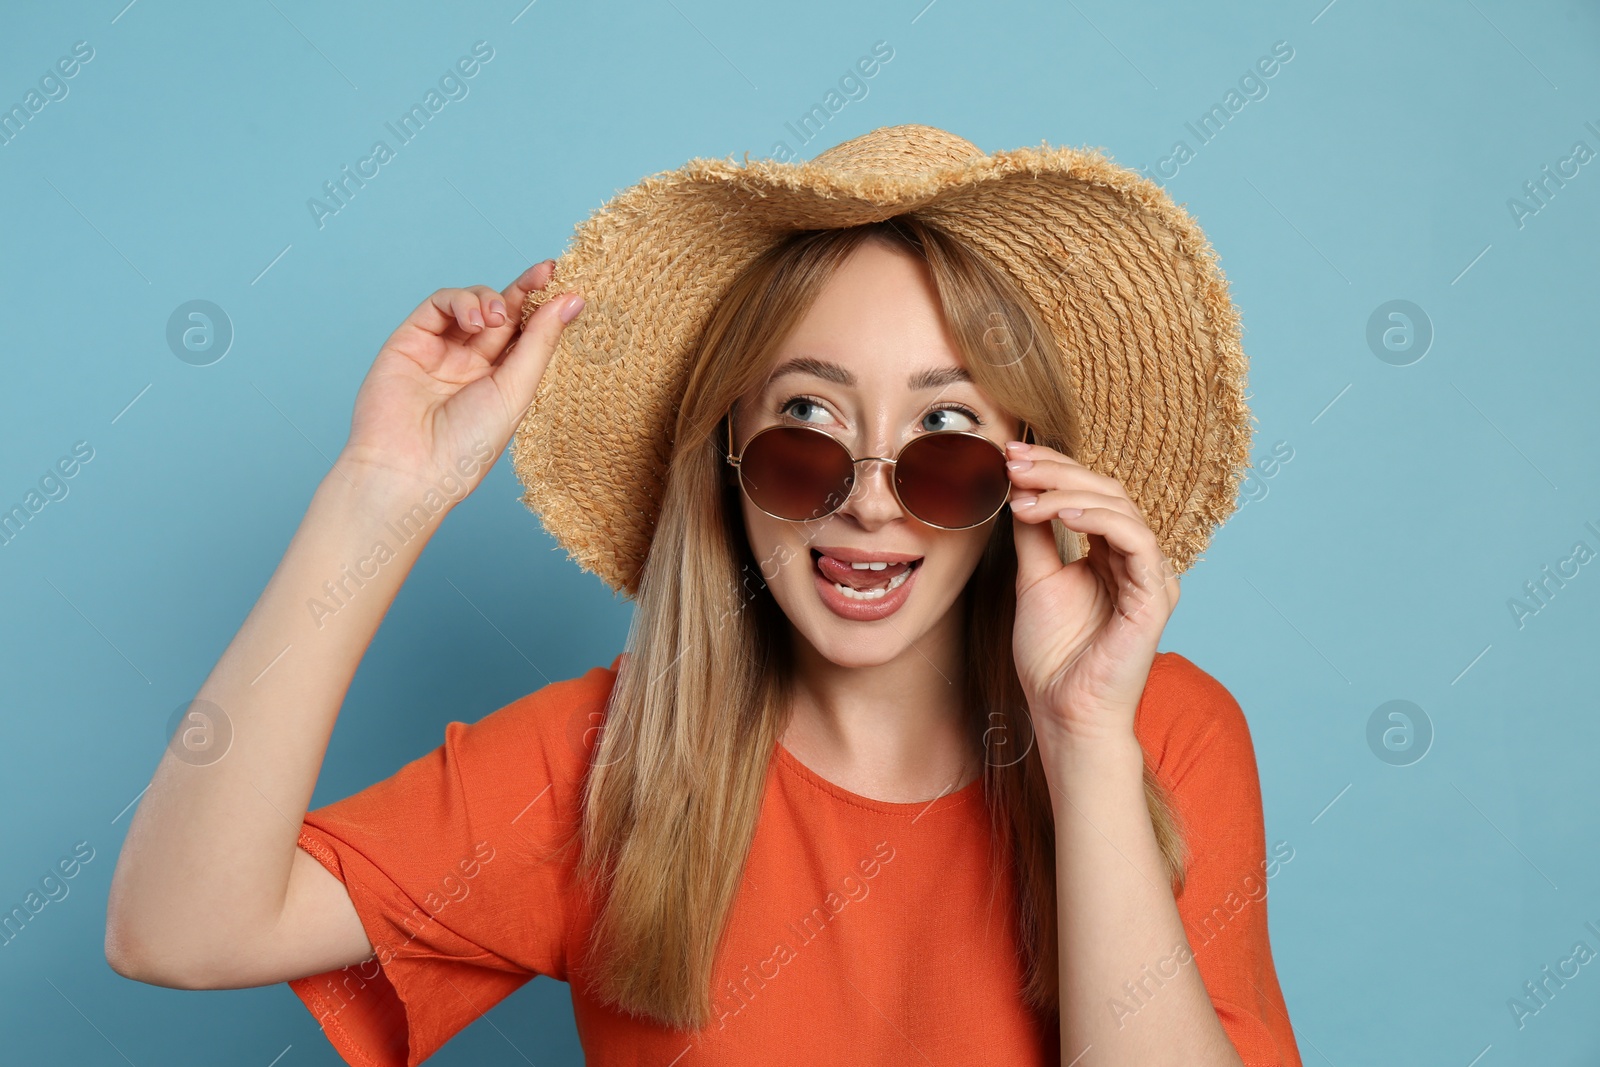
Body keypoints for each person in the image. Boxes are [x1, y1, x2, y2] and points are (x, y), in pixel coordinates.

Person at [105, 125, 1302, 1066]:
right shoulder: (607, 763)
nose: (870, 502)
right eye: (805, 427)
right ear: (725, 461)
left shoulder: (1159, 730)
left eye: (945, 436)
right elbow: (179, 927)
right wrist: (382, 496)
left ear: (1024, 473)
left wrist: (1083, 742)